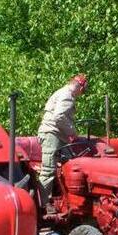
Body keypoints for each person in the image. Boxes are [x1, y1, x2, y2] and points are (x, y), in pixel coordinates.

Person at [37, 74, 88, 205]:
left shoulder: (62, 92)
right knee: (48, 170)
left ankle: (67, 200)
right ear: (79, 88)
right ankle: (43, 205)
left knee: (68, 165)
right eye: (82, 92)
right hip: (52, 135)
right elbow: (59, 117)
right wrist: (72, 132)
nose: (80, 95)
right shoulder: (67, 95)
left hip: (57, 135)